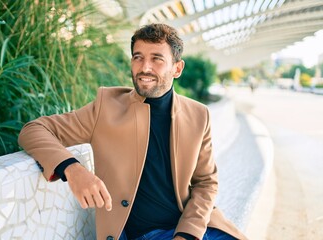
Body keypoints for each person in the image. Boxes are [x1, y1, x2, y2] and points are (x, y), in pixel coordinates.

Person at [18, 23, 247, 240]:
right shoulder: (106, 106)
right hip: (143, 234)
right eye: (138, 57)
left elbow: (206, 182)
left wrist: (186, 234)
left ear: (177, 68)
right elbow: (34, 130)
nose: (144, 67)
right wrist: (72, 169)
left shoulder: (198, 114)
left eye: (157, 59)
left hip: (193, 228)